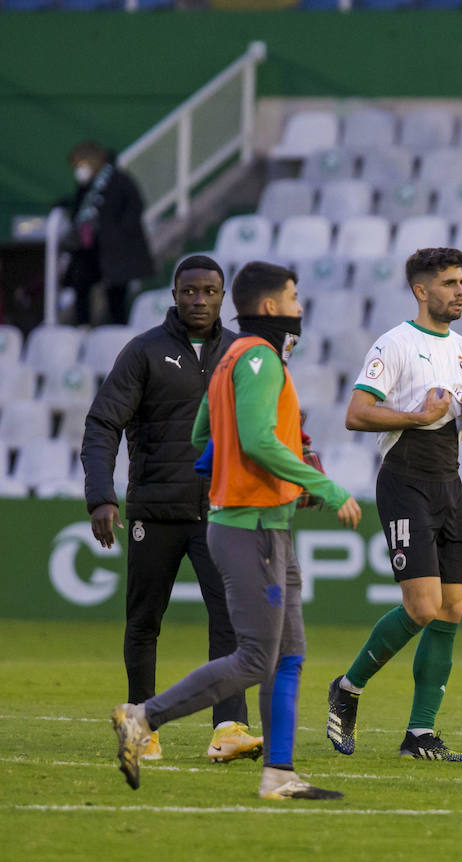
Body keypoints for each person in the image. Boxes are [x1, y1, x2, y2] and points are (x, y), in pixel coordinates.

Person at [111, 261, 362, 799]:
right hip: (251, 526)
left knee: (288, 653)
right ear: (271, 307)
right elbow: (256, 441)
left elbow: (205, 429)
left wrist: (212, 465)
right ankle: (143, 717)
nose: (299, 306)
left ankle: (279, 774)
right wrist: (327, 486)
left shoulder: (230, 356)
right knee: (254, 656)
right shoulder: (259, 359)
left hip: (256, 522)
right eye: (293, 296)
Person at [81, 254, 262, 764]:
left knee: (229, 622)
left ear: (223, 297)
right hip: (155, 512)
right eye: (189, 291)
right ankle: (140, 726)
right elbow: (102, 424)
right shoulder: (144, 352)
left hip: (221, 515)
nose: (199, 300)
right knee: (144, 622)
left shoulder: (243, 353)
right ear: (175, 295)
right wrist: (100, 495)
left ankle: (228, 727)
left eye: (209, 291)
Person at [326, 247, 462, 763]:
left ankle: (420, 735)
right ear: (421, 290)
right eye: (449, 282)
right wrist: (418, 417)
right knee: (422, 606)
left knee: (452, 607)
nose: (459, 290)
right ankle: (348, 688)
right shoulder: (394, 344)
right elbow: (357, 413)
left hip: (449, 481)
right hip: (405, 481)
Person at [60, 141, 154, 326]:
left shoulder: (120, 181)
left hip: (116, 249)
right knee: (81, 283)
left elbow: (135, 208)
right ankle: (83, 326)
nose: (79, 170)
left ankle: (118, 329)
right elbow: (81, 212)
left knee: (116, 293)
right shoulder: (86, 187)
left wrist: (118, 234)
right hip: (89, 248)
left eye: (82, 165)